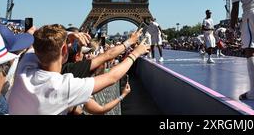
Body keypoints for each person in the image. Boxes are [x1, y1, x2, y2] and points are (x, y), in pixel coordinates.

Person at [8, 24, 149, 115]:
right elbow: (111, 76)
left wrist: (67, 35)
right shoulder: (64, 87)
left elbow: (34, 36)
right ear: (65, 50)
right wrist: (135, 52)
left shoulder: (25, 67)